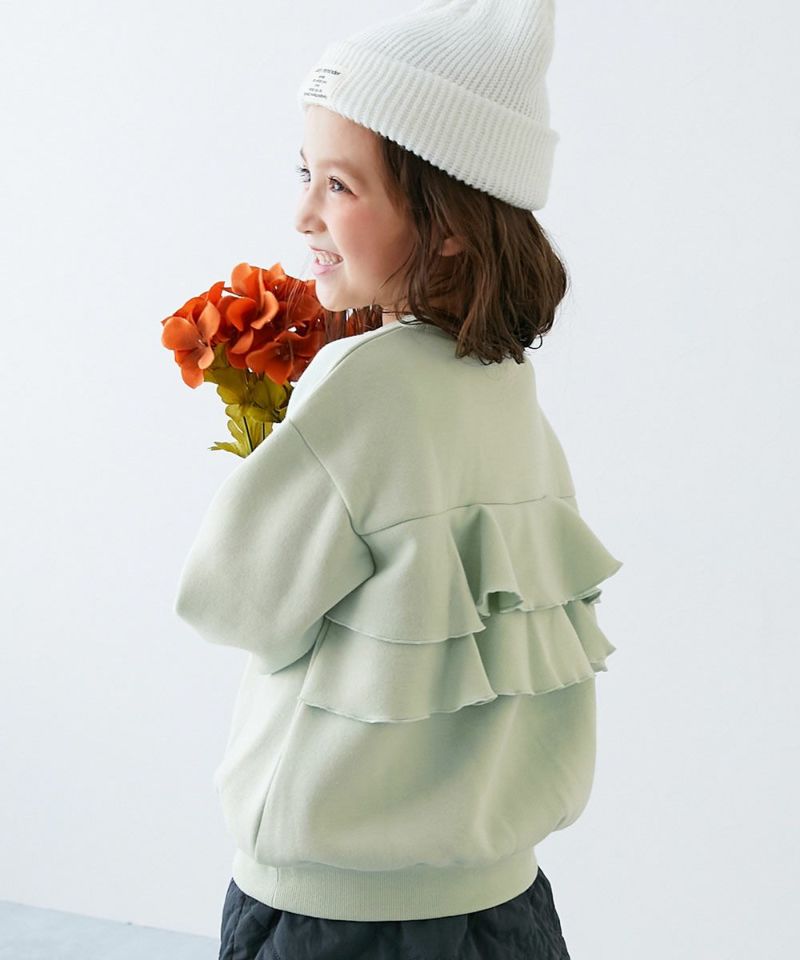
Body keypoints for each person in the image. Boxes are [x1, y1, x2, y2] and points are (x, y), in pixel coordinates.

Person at [173, 1, 624, 957]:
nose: (304, 214)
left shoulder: (362, 383)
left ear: (448, 222)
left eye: (339, 184)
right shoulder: (506, 383)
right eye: (305, 173)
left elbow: (230, 603)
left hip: (339, 912)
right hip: (504, 903)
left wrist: (271, 447)